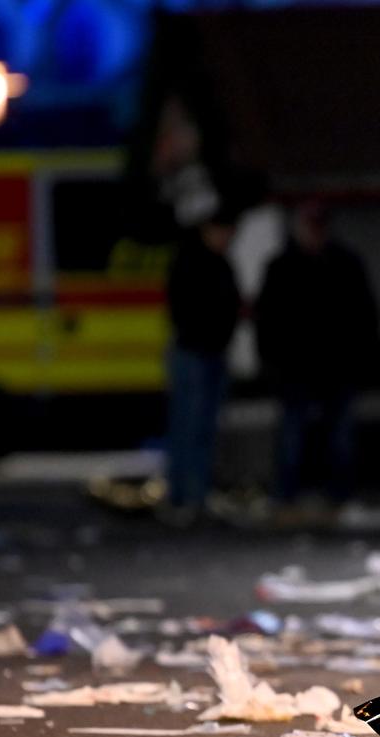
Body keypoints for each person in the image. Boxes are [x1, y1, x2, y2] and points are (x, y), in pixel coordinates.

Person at [254, 200, 380, 506]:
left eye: (319, 225)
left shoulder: (345, 263)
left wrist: (364, 359)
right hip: (295, 369)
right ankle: (286, 498)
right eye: (309, 225)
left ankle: (340, 497)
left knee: (340, 438)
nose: (315, 232)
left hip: (338, 367)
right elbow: (267, 318)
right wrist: (271, 363)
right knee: (292, 437)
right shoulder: (281, 266)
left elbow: (365, 315)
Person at [162, 206, 241, 523]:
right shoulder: (191, 261)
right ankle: (184, 498)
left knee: (204, 429)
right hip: (192, 353)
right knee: (188, 429)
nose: (227, 239)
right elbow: (182, 308)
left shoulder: (221, 263)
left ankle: (196, 496)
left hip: (212, 353)